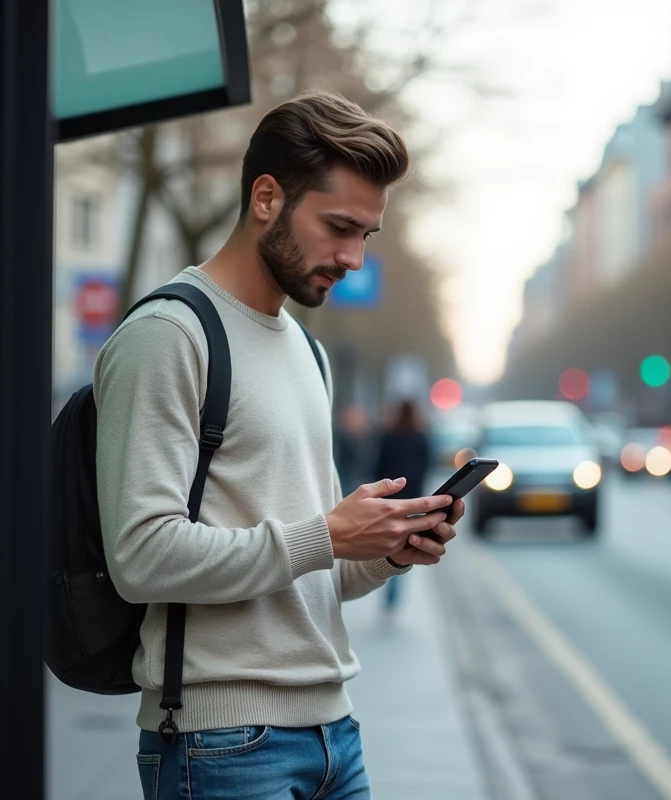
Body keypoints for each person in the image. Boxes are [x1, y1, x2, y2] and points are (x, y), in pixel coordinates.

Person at [93, 91, 465, 800]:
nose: (353, 258)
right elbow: (140, 557)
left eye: (367, 235)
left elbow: (316, 571)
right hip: (220, 745)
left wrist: (386, 550)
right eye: (339, 227)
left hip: (335, 734)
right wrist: (327, 534)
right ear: (266, 197)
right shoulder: (169, 335)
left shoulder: (308, 352)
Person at [371, 399, 432, 616]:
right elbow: (425, 467)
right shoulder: (421, 438)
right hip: (411, 499)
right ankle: (394, 594)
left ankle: (385, 589)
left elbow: (378, 466)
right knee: (405, 546)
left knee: (386, 542)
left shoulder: (388, 437)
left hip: (389, 498)